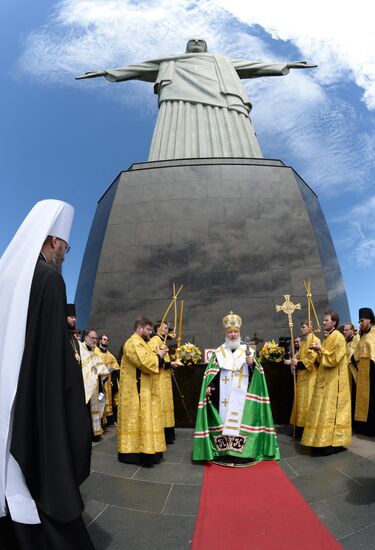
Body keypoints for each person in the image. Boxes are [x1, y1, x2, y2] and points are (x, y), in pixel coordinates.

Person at [0, 200, 94, 549]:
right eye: (66, 247)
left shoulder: (7, 276)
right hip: (30, 398)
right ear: (54, 240)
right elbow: (54, 356)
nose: (66, 254)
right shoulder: (49, 279)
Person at [77, 39, 316, 161]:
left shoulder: (220, 60)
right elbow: (138, 68)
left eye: (200, 41)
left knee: (231, 132)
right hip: (178, 99)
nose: (196, 42)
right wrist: (105, 71)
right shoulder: (172, 59)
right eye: (192, 41)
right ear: (186, 47)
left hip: (223, 98)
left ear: (206, 46)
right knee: (177, 132)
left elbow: (254, 66)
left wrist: (286, 64)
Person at [193, 312, 280, 465]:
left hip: (243, 395)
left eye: (235, 332)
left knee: (240, 421)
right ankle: (224, 452)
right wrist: (210, 387)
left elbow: (258, 376)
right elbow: (212, 373)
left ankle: (243, 454)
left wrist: (252, 364)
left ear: (239, 333)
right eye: (230, 332)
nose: (233, 334)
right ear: (226, 333)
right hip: (222, 396)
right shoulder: (218, 353)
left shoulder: (249, 352)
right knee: (224, 421)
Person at [117, 317, 168, 466]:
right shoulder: (133, 342)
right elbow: (145, 362)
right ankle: (134, 454)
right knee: (137, 422)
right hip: (136, 394)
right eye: (148, 329)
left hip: (145, 391)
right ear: (139, 328)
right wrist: (159, 356)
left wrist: (158, 353)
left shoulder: (143, 343)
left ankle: (150, 451)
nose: (151, 333)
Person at [301, 310, 351, 454]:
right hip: (324, 380)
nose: (323, 323)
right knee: (320, 411)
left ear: (334, 322)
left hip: (335, 382)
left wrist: (321, 349)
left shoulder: (338, 337)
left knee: (331, 412)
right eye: (323, 320)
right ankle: (320, 440)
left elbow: (334, 359)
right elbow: (322, 360)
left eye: (326, 320)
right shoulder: (326, 338)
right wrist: (317, 352)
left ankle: (333, 443)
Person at [149, 321, 180, 444]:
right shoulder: (154, 341)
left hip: (165, 378)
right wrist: (170, 364)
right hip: (159, 379)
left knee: (167, 405)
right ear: (158, 329)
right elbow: (153, 360)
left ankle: (168, 434)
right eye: (165, 328)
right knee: (162, 404)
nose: (168, 330)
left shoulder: (162, 341)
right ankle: (161, 434)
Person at [289, 321, 320, 437]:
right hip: (301, 377)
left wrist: (299, 363)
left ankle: (308, 429)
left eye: (303, 327)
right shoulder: (304, 341)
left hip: (310, 376)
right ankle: (299, 428)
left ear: (310, 327)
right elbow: (298, 355)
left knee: (308, 403)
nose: (301, 329)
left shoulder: (314, 340)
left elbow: (312, 357)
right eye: (301, 327)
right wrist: (293, 359)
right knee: (300, 403)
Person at [80, 329, 110, 441]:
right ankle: (85, 434)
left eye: (96, 338)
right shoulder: (80, 349)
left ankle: (95, 433)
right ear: (86, 337)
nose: (94, 340)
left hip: (95, 388)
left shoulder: (94, 353)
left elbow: (103, 370)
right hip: (83, 387)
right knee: (85, 413)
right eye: (92, 338)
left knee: (94, 412)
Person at [351, 308, 375, 435]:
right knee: (364, 401)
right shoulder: (362, 337)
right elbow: (354, 356)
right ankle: (365, 428)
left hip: (372, 373)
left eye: (362, 321)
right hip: (363, 374)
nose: (360, 323)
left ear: (369, 320)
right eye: (359, 321)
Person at [95, 334, 120, 425]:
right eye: (104, 339)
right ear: (100, 340)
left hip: (108, 382)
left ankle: (109, 420)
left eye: (107, 340)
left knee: (109, 400)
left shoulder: (110, 356)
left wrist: (113, 381)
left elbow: (115, 370)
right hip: (99, 381)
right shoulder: (95, 352)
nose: (106, 341)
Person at [343, 322, 359, 394]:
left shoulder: (356, 340)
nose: (344, 332)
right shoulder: (345, 342)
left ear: (352, 330)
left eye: (346, 330)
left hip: (354, 372)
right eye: (344, 330)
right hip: (346, 374)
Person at [67, 303, 82, 368]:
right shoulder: (59, 335)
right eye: (71, 317)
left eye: (75, 317)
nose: (74, 320)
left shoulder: (73, 338)